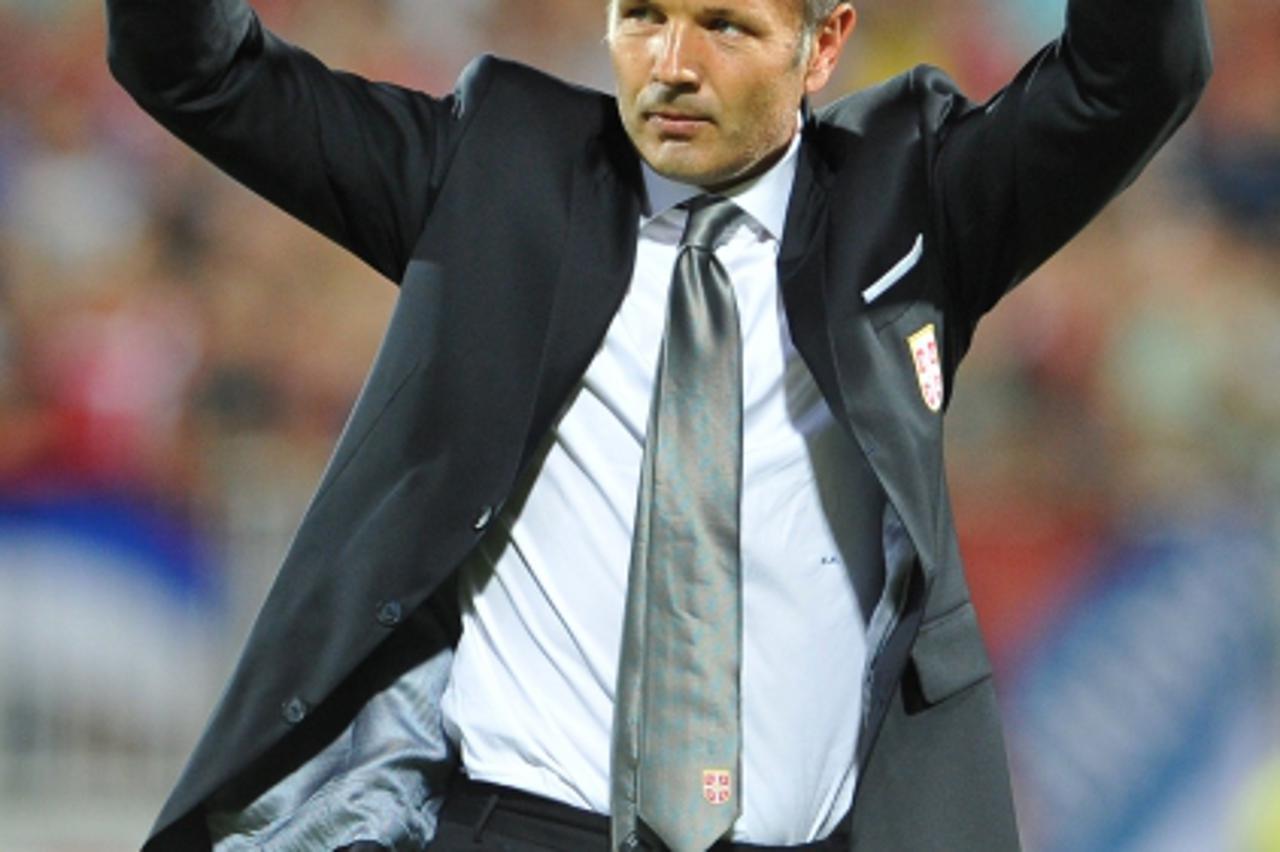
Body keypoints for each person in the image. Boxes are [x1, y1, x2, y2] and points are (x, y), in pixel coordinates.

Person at [105, 0, 1211, 849]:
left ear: (822, 46)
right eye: (641, 15)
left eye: (726, 24)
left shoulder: (910, 195)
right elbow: (194, 67)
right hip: (517, 825)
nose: (671, 64)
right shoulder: (495, 170)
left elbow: (1132, 79)